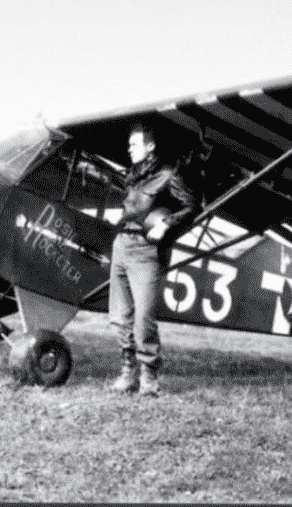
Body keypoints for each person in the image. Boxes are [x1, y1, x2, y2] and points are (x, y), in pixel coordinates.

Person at [109, 122, 196, 396]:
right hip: (122, 245)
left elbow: (192, 206)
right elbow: (135, 209)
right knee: (120, 316)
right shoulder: (133, 177)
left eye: (134, 144)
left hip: (147, 252)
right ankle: (128, 373)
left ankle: (149, 377)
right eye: (129, 145)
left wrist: (167, 223)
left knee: (143, 318)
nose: (129, 149)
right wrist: (120, 217)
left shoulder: (168, 175)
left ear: (150, 146)